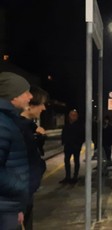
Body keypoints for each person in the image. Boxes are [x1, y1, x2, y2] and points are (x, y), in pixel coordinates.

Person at [0, 72, 31, 229]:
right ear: (13, 96)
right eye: (25, 92)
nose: (30, 96)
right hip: (4, 210)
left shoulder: (8, 120)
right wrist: (20, 186)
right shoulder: (2, 123)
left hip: (9, 206)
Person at [19, 85, 48, 230]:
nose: (44, 108)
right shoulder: (19, 130)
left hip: (26, 190)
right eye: (41, 103)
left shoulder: (29, 128)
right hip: (19, 194)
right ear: (29, 105)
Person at [60, 109, 85, 184]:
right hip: (67, 146)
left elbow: (82, 136)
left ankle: (75, 177)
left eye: (74, 115)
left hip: (76, 146)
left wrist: (79, 144)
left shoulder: (80, 125)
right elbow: (63, 134)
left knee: (76, 161)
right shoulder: (67, 125)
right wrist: (63, 142)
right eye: (71, 115)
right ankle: (67, 177)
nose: (72, 117)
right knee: (66, 161)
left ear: (77, 116)